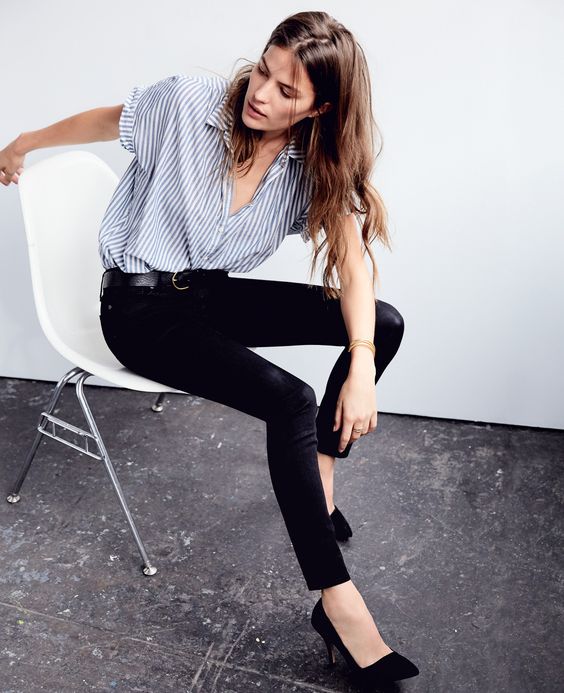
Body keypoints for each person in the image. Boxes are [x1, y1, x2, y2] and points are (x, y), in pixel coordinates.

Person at [1, 10, 419, 689]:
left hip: (206, 294)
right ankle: (338, 602)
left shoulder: (312, 162)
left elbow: (353, 263)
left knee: (384, 323)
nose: (262, 92)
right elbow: (107, 120)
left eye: (288, 90)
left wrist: (365, 360)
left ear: (321, 108)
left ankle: (321, 471)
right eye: (265, 70)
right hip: (138, 310)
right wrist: (25, 143)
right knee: (292, 398)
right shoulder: (188, 104)